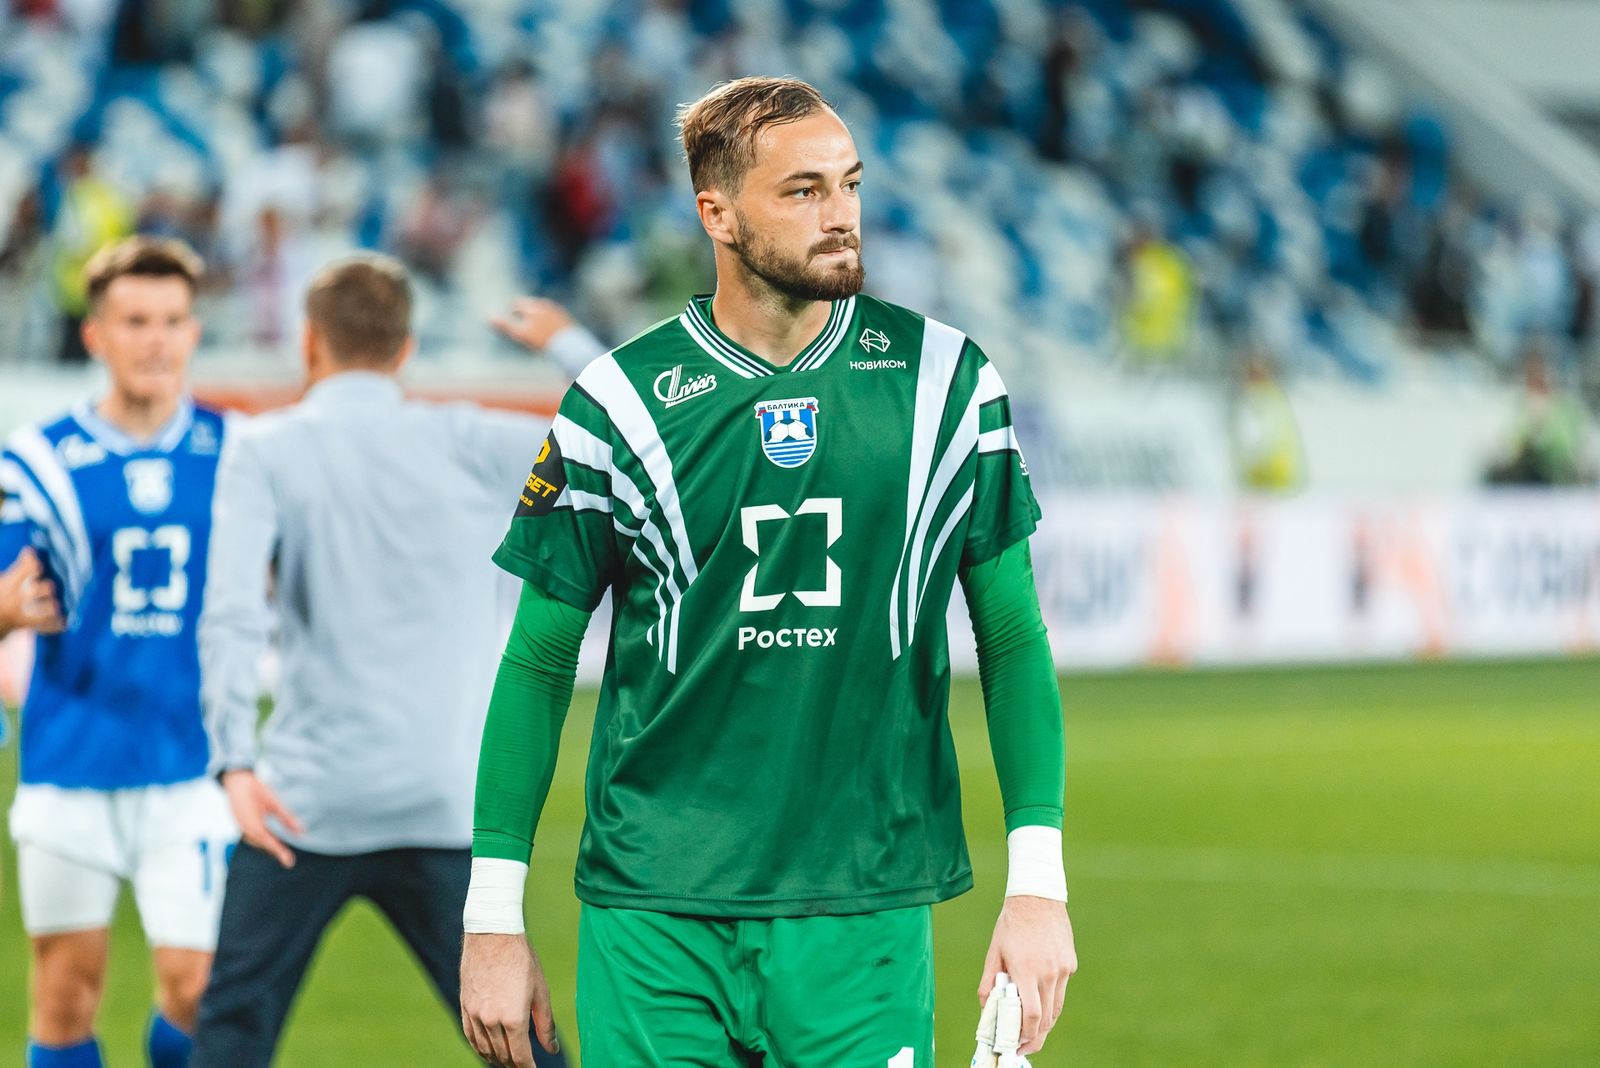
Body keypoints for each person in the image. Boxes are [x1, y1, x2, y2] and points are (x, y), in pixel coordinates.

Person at [460, 76, 1077, 1068]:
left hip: (862, 916)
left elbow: (1011, 637)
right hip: (653, 918)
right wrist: (492, 916)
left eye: (850, 185)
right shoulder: (616, 404)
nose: (841, 216)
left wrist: (1038, 886)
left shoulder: (946, 384)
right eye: (802, 191)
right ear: (717, 214)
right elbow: (537, 660)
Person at [192, 254, 599, 1067]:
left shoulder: (264, 448)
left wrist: (232, 760)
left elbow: (232, 614)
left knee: (231, 1035)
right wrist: (568, 343)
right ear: (406, 347)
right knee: (519, 1043)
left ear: (310, 342)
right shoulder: (472, 439)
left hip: (307, 804)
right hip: (448, 797)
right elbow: (628, 432)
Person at [0, 236, 236, 1068]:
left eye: (172, 321)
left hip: (192, 765)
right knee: (66, 996)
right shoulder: (35, 462)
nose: (156, 340)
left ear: (194, 332)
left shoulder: (239, 451)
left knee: (199, 991)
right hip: (71, 760)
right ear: (96, 335)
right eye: (135, 321)